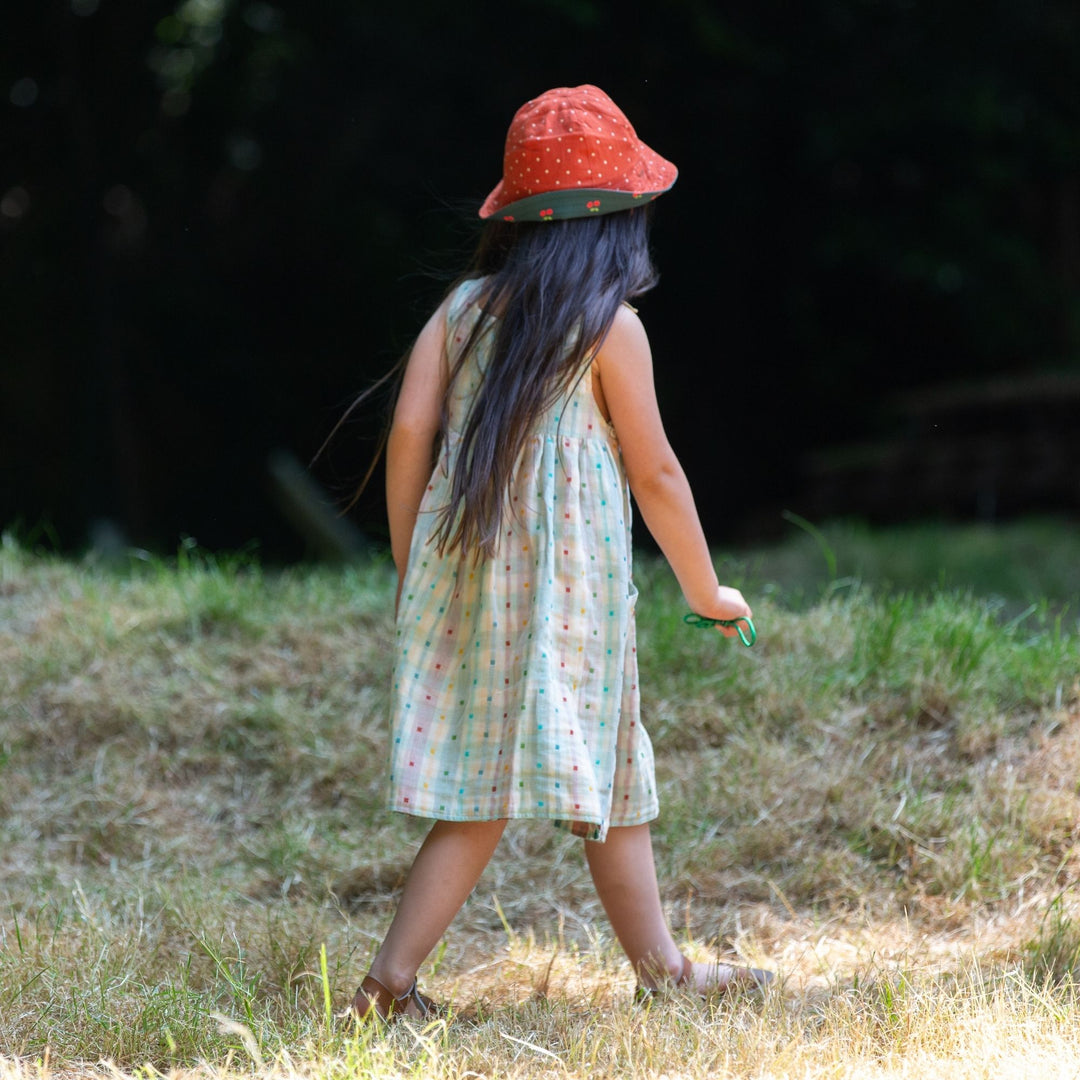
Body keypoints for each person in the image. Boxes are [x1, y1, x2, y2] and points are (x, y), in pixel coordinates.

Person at [348, 84, 774, 1022]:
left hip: (468, 578)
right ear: (618, 226)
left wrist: (410, 565)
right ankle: (387, 986)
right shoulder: (610, 327)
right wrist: (707, 589)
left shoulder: (459, 311)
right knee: (598, 774)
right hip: (571, 594)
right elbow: (657, 474)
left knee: (498, 786)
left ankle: (650, 971)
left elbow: (410, 431)